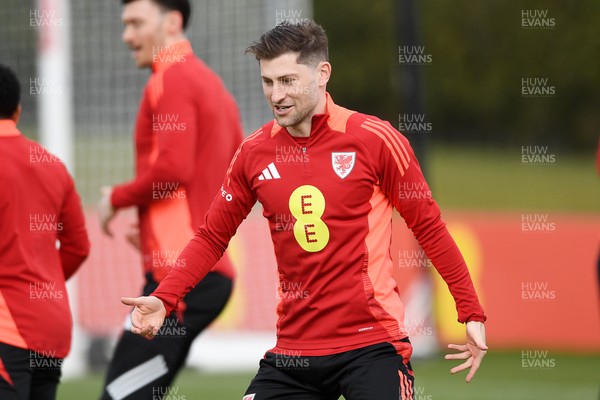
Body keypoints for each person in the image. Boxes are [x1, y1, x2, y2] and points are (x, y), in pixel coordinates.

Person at [122, 21, 488, 400]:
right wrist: (165, 297)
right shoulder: (253, 154)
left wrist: (470, 311)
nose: (276, 95)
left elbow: (429, 228)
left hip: (372, 345)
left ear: (322, 74)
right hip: (294, 355)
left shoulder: (374, 139)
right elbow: (212, 236)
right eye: (268, 82)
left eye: (287, 81)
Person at [96, 0, 243, 398]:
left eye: (136, 23)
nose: (126, 36)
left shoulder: (171, 76)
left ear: (173, 22)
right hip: (201, 272)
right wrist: (150, 233)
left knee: (119, 397)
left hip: (178, 279)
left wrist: (117, 198)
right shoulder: (214, 87)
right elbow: (217, 180)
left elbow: (175, 169)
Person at [0, 63, 90, 400]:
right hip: (49, 328)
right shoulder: (52, 164)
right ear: (18, 111)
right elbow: (78, 247)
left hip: (8, 329)